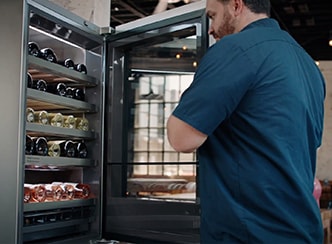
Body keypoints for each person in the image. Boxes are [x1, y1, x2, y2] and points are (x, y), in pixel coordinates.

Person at [166, 0, 326, 243]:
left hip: (250, 232)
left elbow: (180, 138)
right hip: (302, 229)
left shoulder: (234, 48)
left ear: (236, 5)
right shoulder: (307, 64)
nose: (210, 28)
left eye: (213, 15)